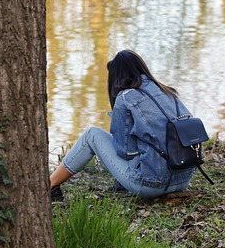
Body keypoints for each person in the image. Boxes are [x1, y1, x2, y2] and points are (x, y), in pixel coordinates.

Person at [49, 49, 197, 200]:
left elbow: (124, 152)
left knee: (91, 135)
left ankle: (50, 185)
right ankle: (121, 184)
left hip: (150, 186)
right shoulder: (168, 92)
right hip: (183, 179)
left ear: (116, 76)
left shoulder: (125, 97)